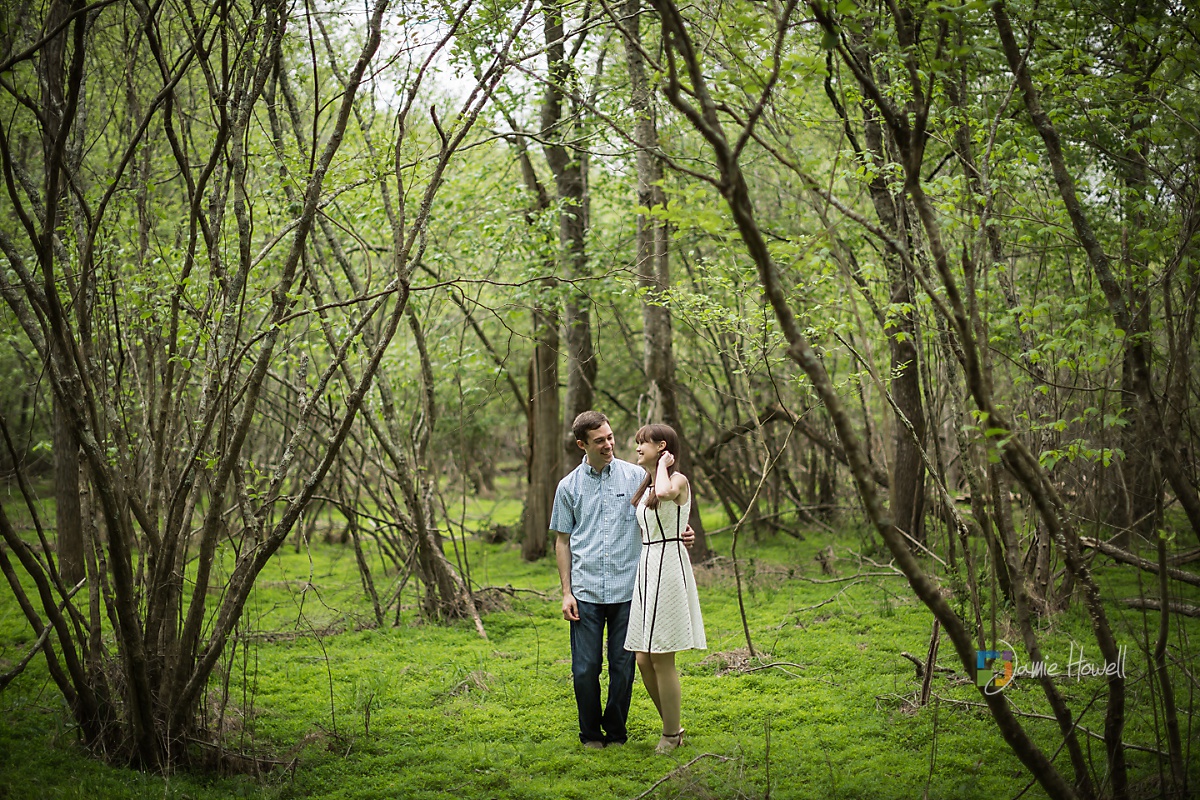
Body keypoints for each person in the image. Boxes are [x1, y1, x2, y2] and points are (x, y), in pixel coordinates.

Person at [552, 411, 693, 749]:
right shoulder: (568, 486)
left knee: (624, 667)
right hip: (585, 590)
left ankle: (616, 733)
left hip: (630, 588)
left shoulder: (636, 477)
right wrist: (567, 592)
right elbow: (562, 541)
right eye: (599, 440)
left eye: (610, 437)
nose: (609, 444)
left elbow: (663, 513)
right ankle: (590, 734)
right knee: (585, 668)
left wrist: (683, 532)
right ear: (582, 444)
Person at [625, 423, 706, 755]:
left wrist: (662, 466)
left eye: (642, 443)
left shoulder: (676, 480)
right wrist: (655, 470)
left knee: (661, 657)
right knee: (643, 659)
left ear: (661, 447)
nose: (637, 448)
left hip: (669, 567)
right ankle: (673, 726)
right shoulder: (647, 484)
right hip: (647, 568)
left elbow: (667, 495)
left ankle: (670, 735)